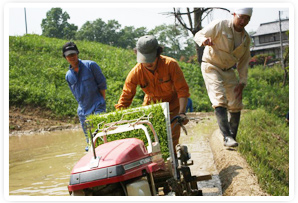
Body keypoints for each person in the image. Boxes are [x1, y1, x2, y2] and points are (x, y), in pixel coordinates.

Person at [115, 35, 190, 150]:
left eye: (151, 58)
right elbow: (126, 97)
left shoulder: (171, 65)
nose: (148, 63)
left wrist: (182, 113)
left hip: (173, 106)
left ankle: (174, 162)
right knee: (149, 139)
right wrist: (117, 120)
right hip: (151, 106)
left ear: (158, 53)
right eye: (145, 59)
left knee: (172, 141)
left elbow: (182, 90)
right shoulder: (136, 72)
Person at [193, 8, 253, 147]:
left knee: (236, 102)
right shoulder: (220, 24)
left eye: (246, 19)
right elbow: (199, 34)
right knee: (219, 98)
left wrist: (242, 82)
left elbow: (244, 61)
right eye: (241, 17)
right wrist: (204, 41)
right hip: (211, 65)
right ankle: (226, 137)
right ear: (234, 15)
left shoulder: (246, 38)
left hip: (228, 70)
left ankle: (233, 137)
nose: (243, 21)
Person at [63, 42, 107, 151]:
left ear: (77, 53)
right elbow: (75, 94)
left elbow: (102, 84)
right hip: (83, 111)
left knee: (101, 134)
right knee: (90, 141)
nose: (72, 57)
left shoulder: (91, 65)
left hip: (98, 106)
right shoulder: (68, 76)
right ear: (65, 57)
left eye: (73, 54)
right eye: (69, 55)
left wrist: (101, 101)